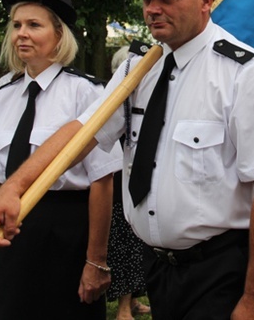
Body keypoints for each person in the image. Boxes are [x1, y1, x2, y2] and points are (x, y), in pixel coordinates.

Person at [0, 0, 254, 319]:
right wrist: (15, 187)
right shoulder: (138, 69)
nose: (152, 9)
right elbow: (81, 133)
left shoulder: (245, 74)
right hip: (158, 268)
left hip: (219, 267)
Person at [0, 0, 120, 319]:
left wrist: (95, 260)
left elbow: (102, 180)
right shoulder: (3, 94)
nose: (21, 34)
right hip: (11, 230)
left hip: (66, 230)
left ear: (59, 34)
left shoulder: (87, 91)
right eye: (17, 25)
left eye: (34, 25)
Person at [106, 45, 151, 320]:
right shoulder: (113, 100)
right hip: (118, 186)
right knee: (123, 246)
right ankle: (123, 307)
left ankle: (134, 299)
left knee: (139, 247)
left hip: (143, 187)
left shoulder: (151, 98)